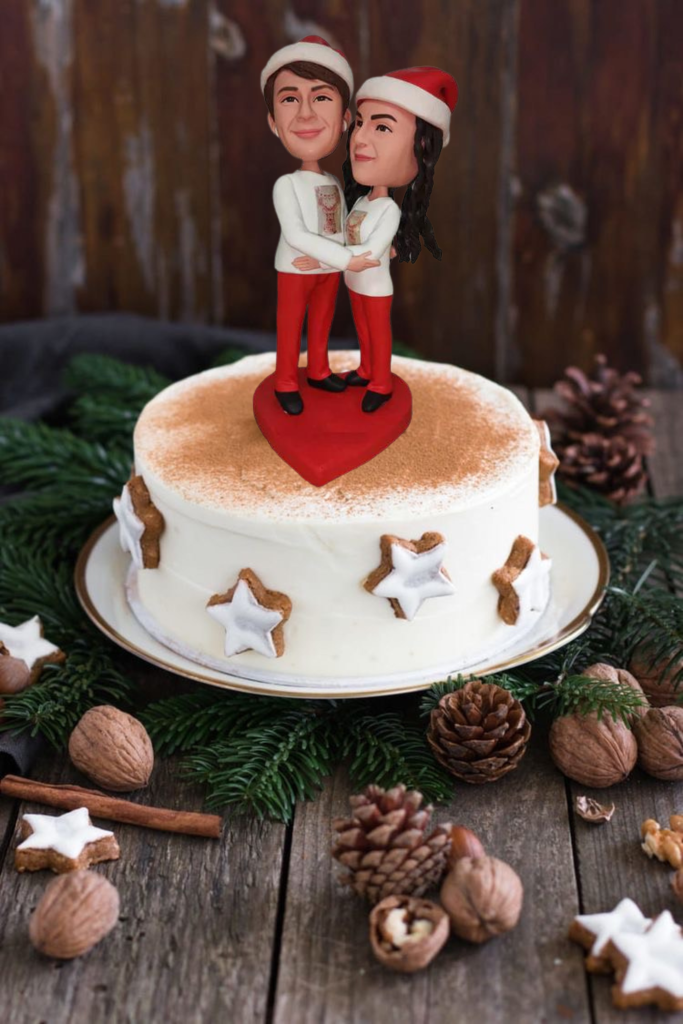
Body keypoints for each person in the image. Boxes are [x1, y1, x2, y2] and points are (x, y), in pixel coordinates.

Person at [261, 36, 379, 415]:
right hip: (297, 268)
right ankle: (285, 381)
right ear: (273, 122)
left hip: (328, 267)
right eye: (290, 99)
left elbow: (341, 226)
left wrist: (365, 247)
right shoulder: (286, 184)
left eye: (322, 98)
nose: (306, 114)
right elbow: (295, 234)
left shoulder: (332, 182)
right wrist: (341, 258)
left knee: (323, 321)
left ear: (345, 119)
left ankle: (318, 369)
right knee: (291, 325)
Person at [341, 67, 458, 412]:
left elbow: (372, 250)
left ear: (421, 148)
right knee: (361, 329)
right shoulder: (361, 202)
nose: (360, 138)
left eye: (382, 127)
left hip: (374, 286)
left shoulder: (389, 211)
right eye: (359, 123)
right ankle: (366, 368)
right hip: (353, 281)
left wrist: (342, 257)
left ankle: (381, 380)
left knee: (377, 331)